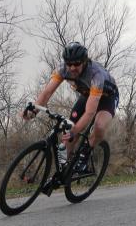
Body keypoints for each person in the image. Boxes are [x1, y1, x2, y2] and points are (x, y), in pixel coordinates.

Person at [22, 41, 119, 173]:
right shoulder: (62, 69)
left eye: (77, 63)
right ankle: (62, 172)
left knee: (99, 126)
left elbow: (90, 112)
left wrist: (75, 131)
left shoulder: (96, 75)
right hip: (87, 95)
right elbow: (47, 92)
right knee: (69, 133)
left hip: (107, 98)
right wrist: (34, 110)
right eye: (69, 64)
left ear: (84, 61)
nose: (72, 68)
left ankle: (85, 154)